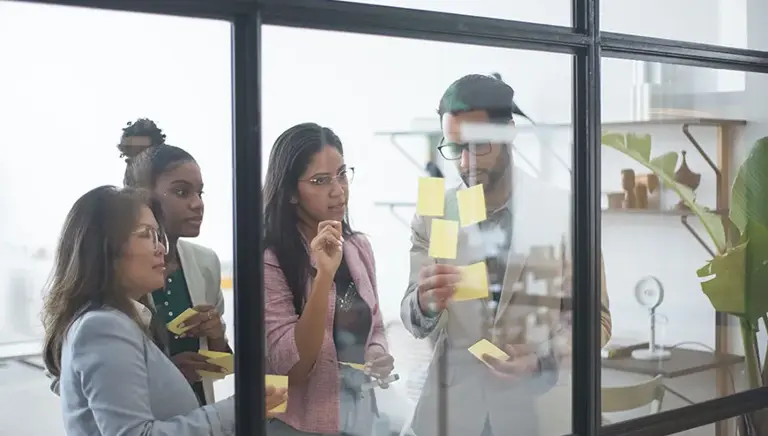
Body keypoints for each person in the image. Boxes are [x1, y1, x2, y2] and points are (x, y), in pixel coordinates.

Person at [399, 74, 612, 436]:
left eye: (479, 145)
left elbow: (597, 320)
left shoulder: (565, 210)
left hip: (537, 413)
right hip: (451, 417)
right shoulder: (434, 212)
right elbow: (410, 314)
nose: (465, 162)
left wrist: (542, 358)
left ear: (509, 133)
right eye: (454, 148)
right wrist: (423, 302)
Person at [41, 186, 238, 435]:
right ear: (107, 247)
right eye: (147, 235)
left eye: (158, 236)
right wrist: (239, 408)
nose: (162, 250)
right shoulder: (102, 327)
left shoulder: (121, 321)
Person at [263, 123, 394, 435]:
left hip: (358, 417)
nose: (338, 190)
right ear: (292, 193)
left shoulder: (358, 246)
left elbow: (374, 325)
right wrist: (323, 276)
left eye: (342, 174)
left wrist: (376, 353)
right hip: (294, 423)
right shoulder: (271, 260)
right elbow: (291, 367)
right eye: (320, 181)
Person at [119, 118, 231, 406]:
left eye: (200, 192)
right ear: (143, 196)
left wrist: (216, 336)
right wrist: (164, 375)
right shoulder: (114, 268)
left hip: (197, 419)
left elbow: (220, 365)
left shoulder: (205, 263)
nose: (198, 204)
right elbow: (65, 376)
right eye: (182, 192)